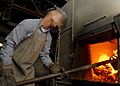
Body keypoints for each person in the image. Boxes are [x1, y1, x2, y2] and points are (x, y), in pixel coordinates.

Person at [0, 7, 67, 86]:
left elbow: (44, 55)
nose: (60, 27)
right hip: (10, 67)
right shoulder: (28, 24)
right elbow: (10, 44)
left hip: (27, 73)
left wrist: (52, 66)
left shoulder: (48, 37)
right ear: (55, 16)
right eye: (61, 22)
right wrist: (6, 70)